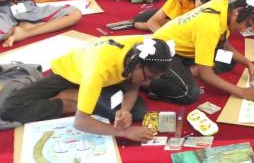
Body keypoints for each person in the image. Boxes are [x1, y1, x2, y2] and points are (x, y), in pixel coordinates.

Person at [1, 35, 173, 142]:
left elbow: (133, 85)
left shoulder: (140, 49)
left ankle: (81, 97)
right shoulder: (98, 70)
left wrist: (125, 110)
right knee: (10, 107)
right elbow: (81, 122)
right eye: (148, 77)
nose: (148, 83)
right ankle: (70, 100)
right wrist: (125, 133)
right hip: (70, 74)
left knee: (137, 111)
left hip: (108, 79)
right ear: (136, 64)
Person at [150, 0, 254, 104]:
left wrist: (249, 64)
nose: (244, 30)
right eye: (246, 24)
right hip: (164, 51)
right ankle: (150, 81)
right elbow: (205, 75)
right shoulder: (210, 27)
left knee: (228, 59)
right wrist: (242, 92)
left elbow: (224, 44)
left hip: (188, 47)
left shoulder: (223, 6)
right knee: (189, 93)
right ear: (237, 11)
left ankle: (186, 71)